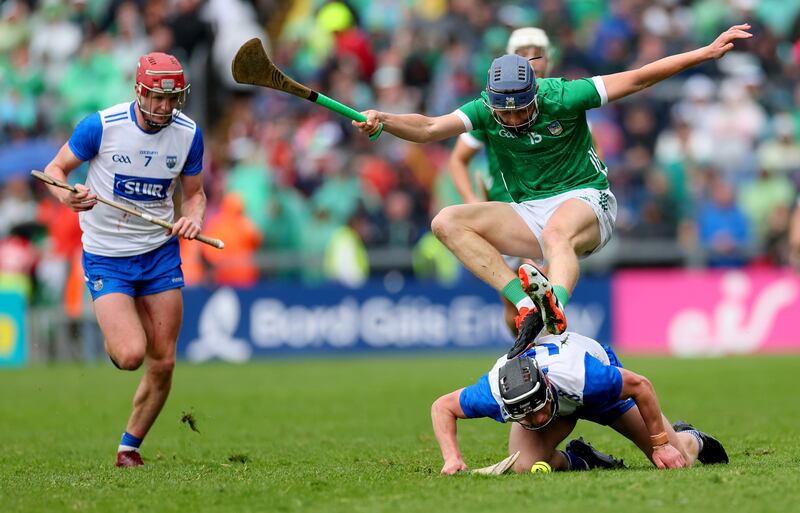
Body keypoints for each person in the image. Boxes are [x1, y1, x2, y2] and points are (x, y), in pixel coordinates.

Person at [355, 24, 753, 358]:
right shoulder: (483, 109)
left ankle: (554, 305)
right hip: (528, 208)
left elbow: (638, 77)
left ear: (534, 92)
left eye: (520, 108)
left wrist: (703, 53)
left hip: (585, 198)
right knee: (447, 221)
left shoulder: (562, 96)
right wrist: (383, 119)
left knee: (555, 235)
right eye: (503, 111)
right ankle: (528, 304)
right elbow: (427, 129)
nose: (511, 118)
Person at [41, 52, 205, 467]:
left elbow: (196, 194)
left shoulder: (187, 134)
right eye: (155, 98)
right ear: (139, 91)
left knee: (164, 359)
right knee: (131, 355)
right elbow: (55, 169)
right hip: (108, 257)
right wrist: (69, 196)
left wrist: (191, 219)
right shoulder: (102, 126)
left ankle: (129, 447)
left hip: (159, 255)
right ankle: (119, 326)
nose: (164, 108)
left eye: (172, 100)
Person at [430, 325, 729, 474]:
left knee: (677, 461)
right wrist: (451, 456)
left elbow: (641, 386)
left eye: (538, 409)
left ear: (546, 387)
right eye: (525, 415)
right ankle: (583, 459)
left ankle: (690, 437)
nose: (536, 420)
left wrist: (662, 442)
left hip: (596, 395)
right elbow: (442, 406)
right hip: (562, 401)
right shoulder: (495, 392)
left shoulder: (587, 377)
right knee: (525, 465)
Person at [448, 27, 551, 336]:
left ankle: (543, 360)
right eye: (521, 52)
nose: (529, 58)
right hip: (504, 211)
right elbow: (457, 160)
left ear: (548, 58)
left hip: (546, 207)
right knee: (514, 307)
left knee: (540, 288)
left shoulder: (562, 99)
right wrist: (473, 202)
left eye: (536, 50)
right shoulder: (495, 107)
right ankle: (528, 355)